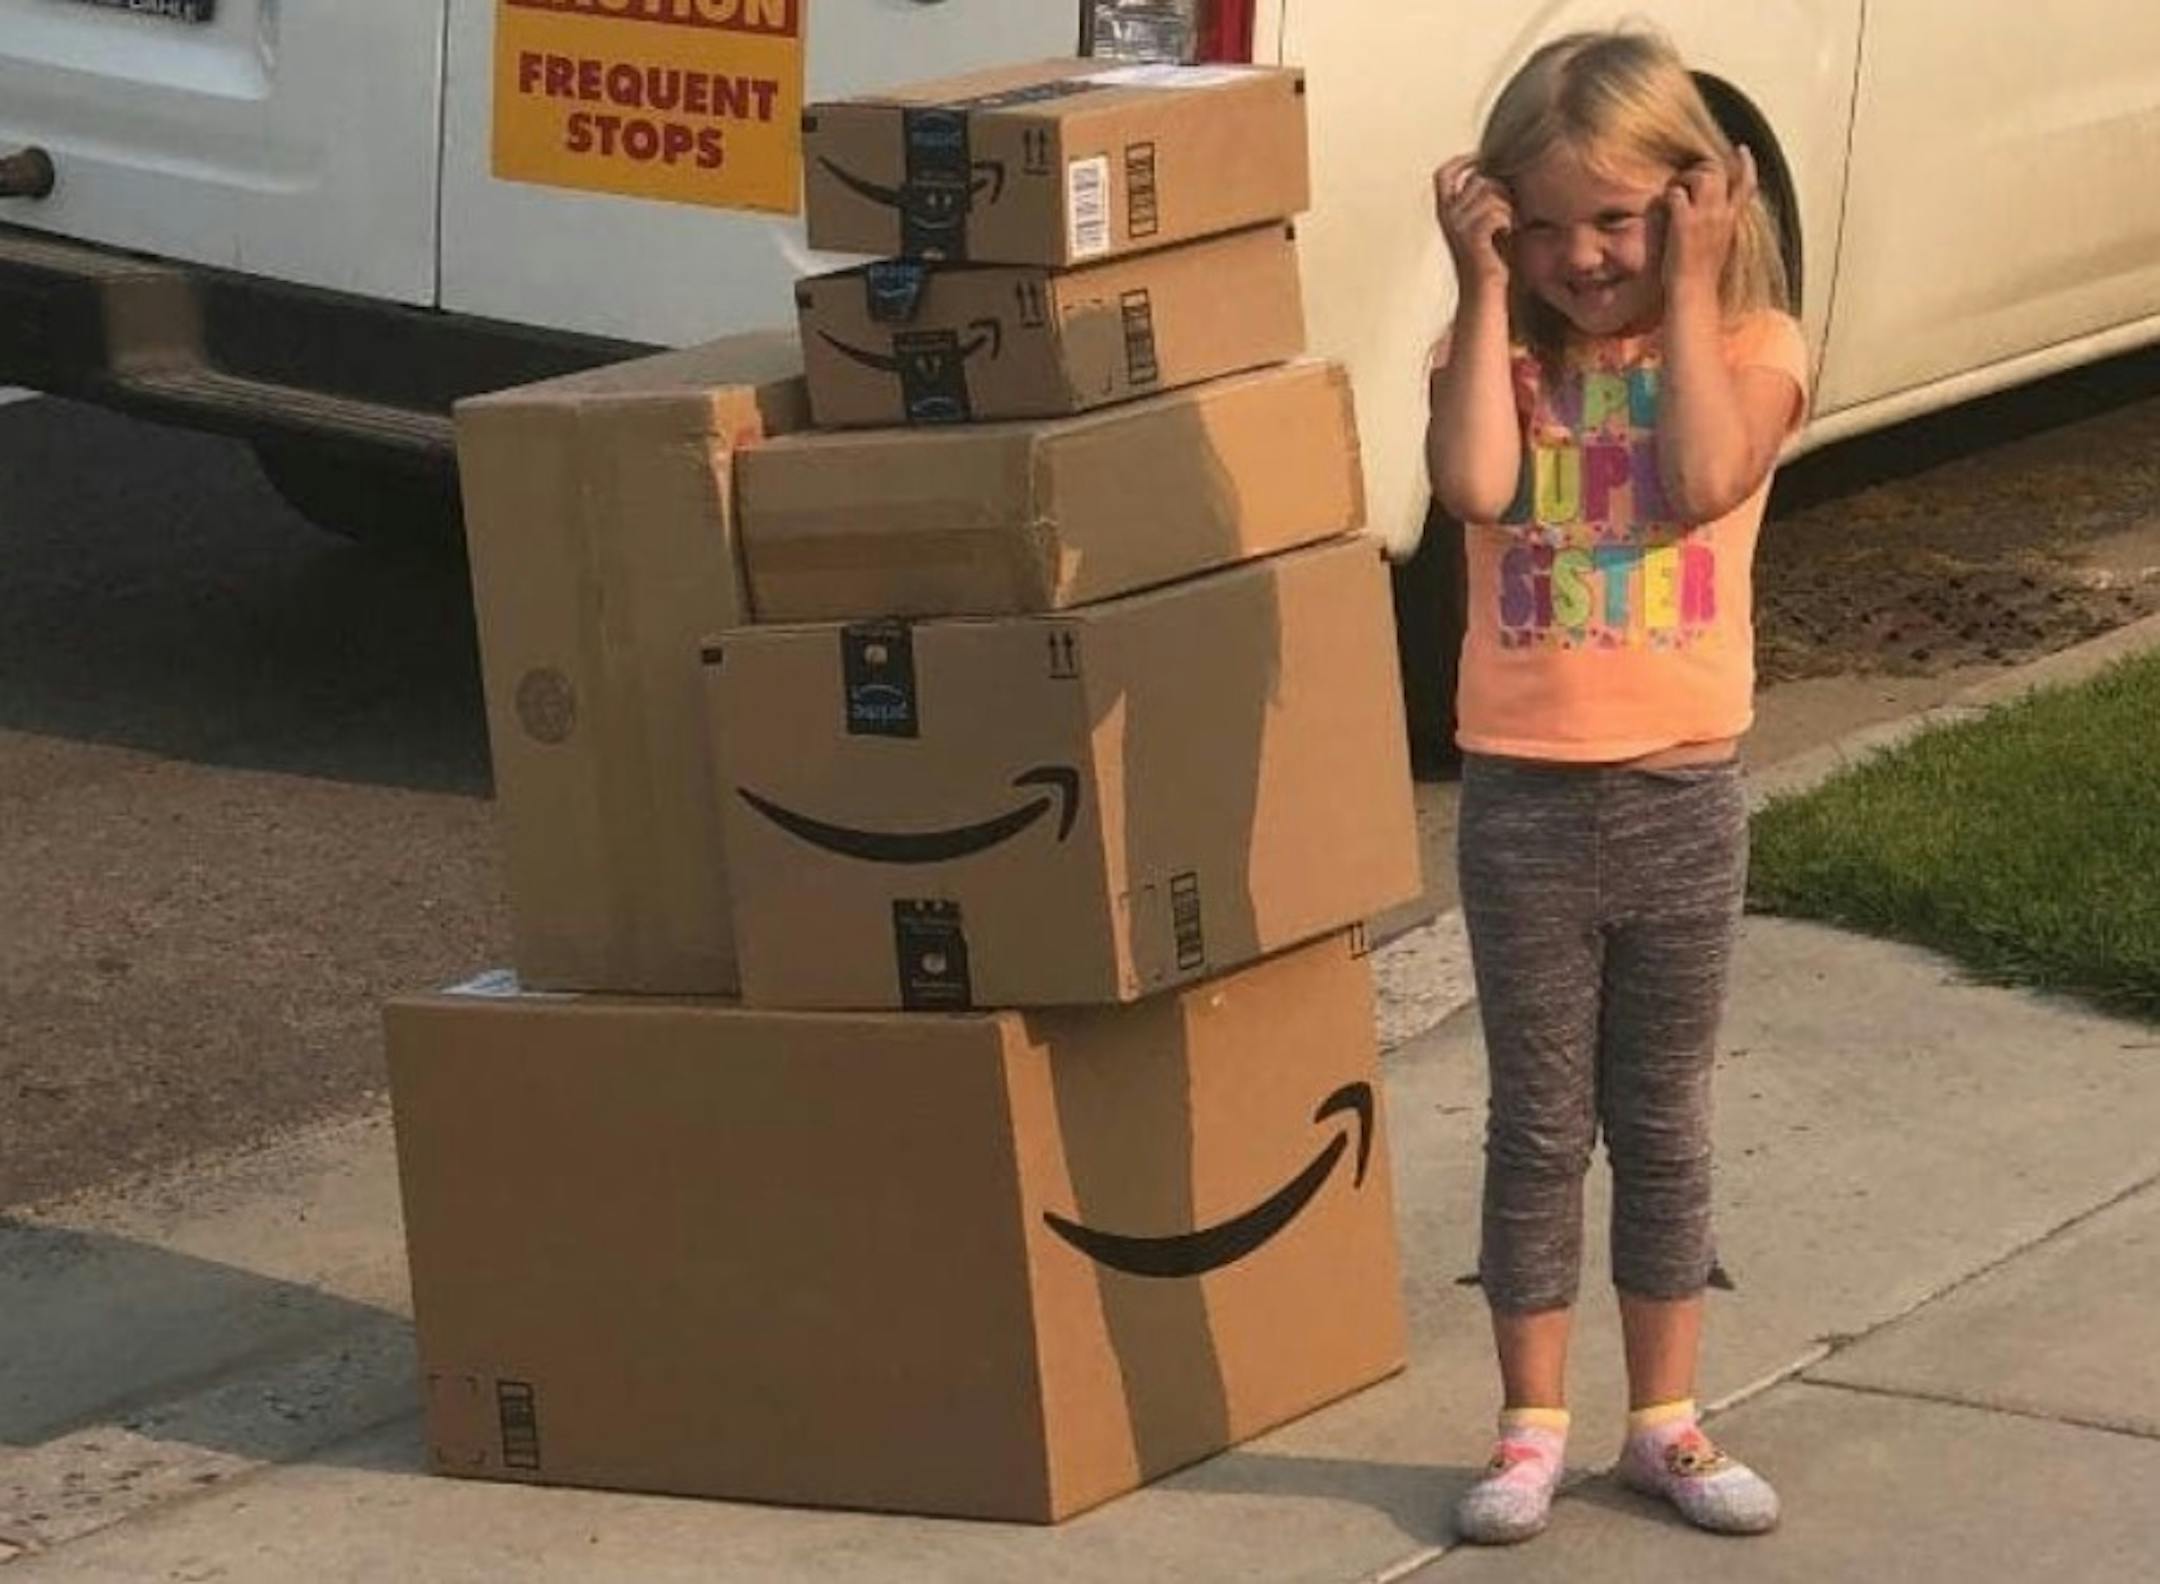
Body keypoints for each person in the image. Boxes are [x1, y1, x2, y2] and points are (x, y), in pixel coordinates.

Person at [1423, 27, 1809, 1544]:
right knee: (1536, 1124)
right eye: (1546, 222)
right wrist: (1474, 293)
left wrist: (1698, 291)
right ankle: (1529, 1431)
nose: (1583, 255)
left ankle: (1665, 1421)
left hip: (1680, 797)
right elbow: (1472, 490)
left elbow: (1709, 477)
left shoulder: (1757, 346)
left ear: (1699, 205)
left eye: (1620, 219)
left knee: (1662, 1119)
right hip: (1523, 799)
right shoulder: (1494, 359)